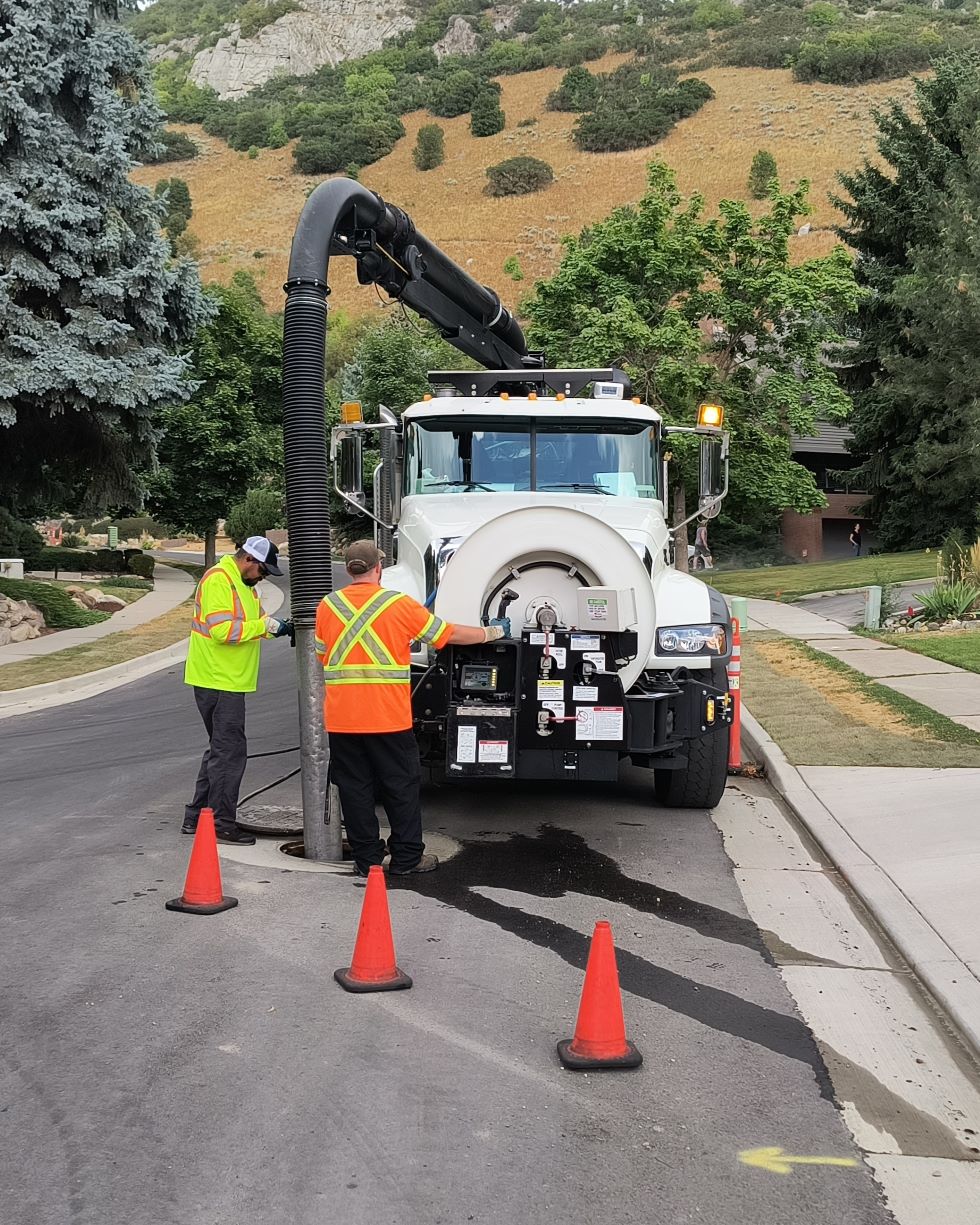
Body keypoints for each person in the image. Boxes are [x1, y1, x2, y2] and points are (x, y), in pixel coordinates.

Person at [315, 540, 509, 877]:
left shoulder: (327, 606)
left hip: (343, 719)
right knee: (399, 786)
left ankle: (367, 861)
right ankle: (406, 859)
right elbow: (446, 634)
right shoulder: (397, 604)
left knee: (355, 790)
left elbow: (323, 654)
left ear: (349, 569)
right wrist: (490, 632)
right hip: (387, 718)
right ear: (378, 568)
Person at [181, 536, 293, 845]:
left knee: (220, 748)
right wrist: (266, 627)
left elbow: (254, 623)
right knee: (230, 754)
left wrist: (279, 627)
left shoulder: (243, 585)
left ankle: (196, 817)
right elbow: (223, 631)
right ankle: (221, 823)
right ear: (249, 561)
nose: (264, 576)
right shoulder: (219, 580)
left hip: (224, 679)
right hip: (218, 679)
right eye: (263, 570)